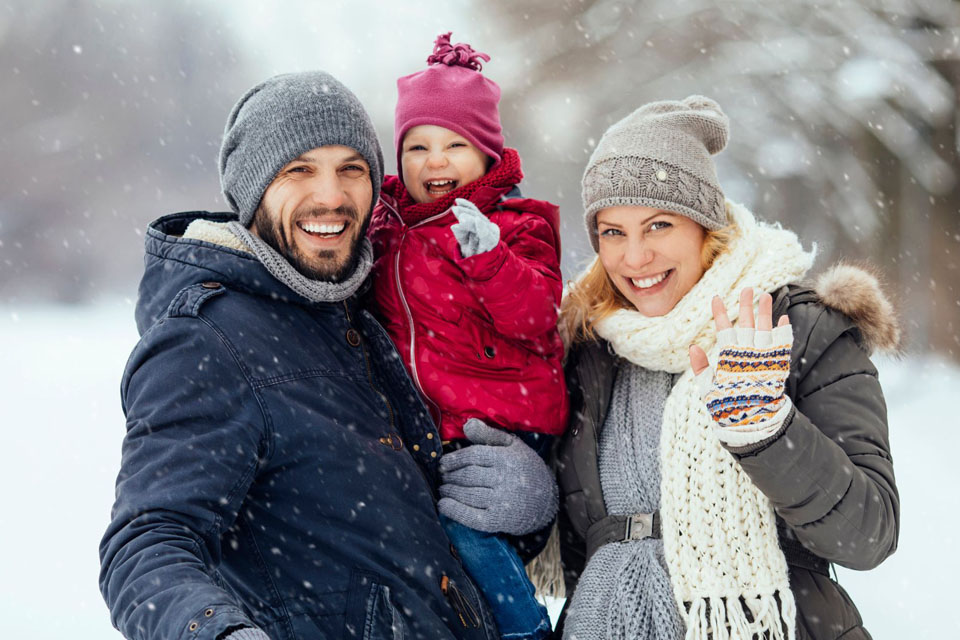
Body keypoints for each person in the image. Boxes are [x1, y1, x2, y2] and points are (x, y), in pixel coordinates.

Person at [99, 70, 553, 640]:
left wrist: (523, 504)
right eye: (299, 170)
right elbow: (147, 543)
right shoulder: (207, 339)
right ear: (252, 189)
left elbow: (416, 531)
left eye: (351, 170)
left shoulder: (374, 315)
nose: (331, 197)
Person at [554, 96, 900, 639]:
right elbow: (576, 544)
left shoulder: (797, 329)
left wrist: (764, 427)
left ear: (705, 227)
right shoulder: (591, 347)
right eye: (613, 232)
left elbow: (867, 533)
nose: (635, 257)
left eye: (658, 225)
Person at [367, 33, 567, 640]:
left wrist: (491, 261)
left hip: (504, 419)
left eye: (455, 145)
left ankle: (524, 629)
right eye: (418, 146)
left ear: (486, 154)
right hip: (434, 428)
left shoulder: (515, 226)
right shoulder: (389, 231)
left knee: (466, 530)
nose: (435, 161)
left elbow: (535, 314)